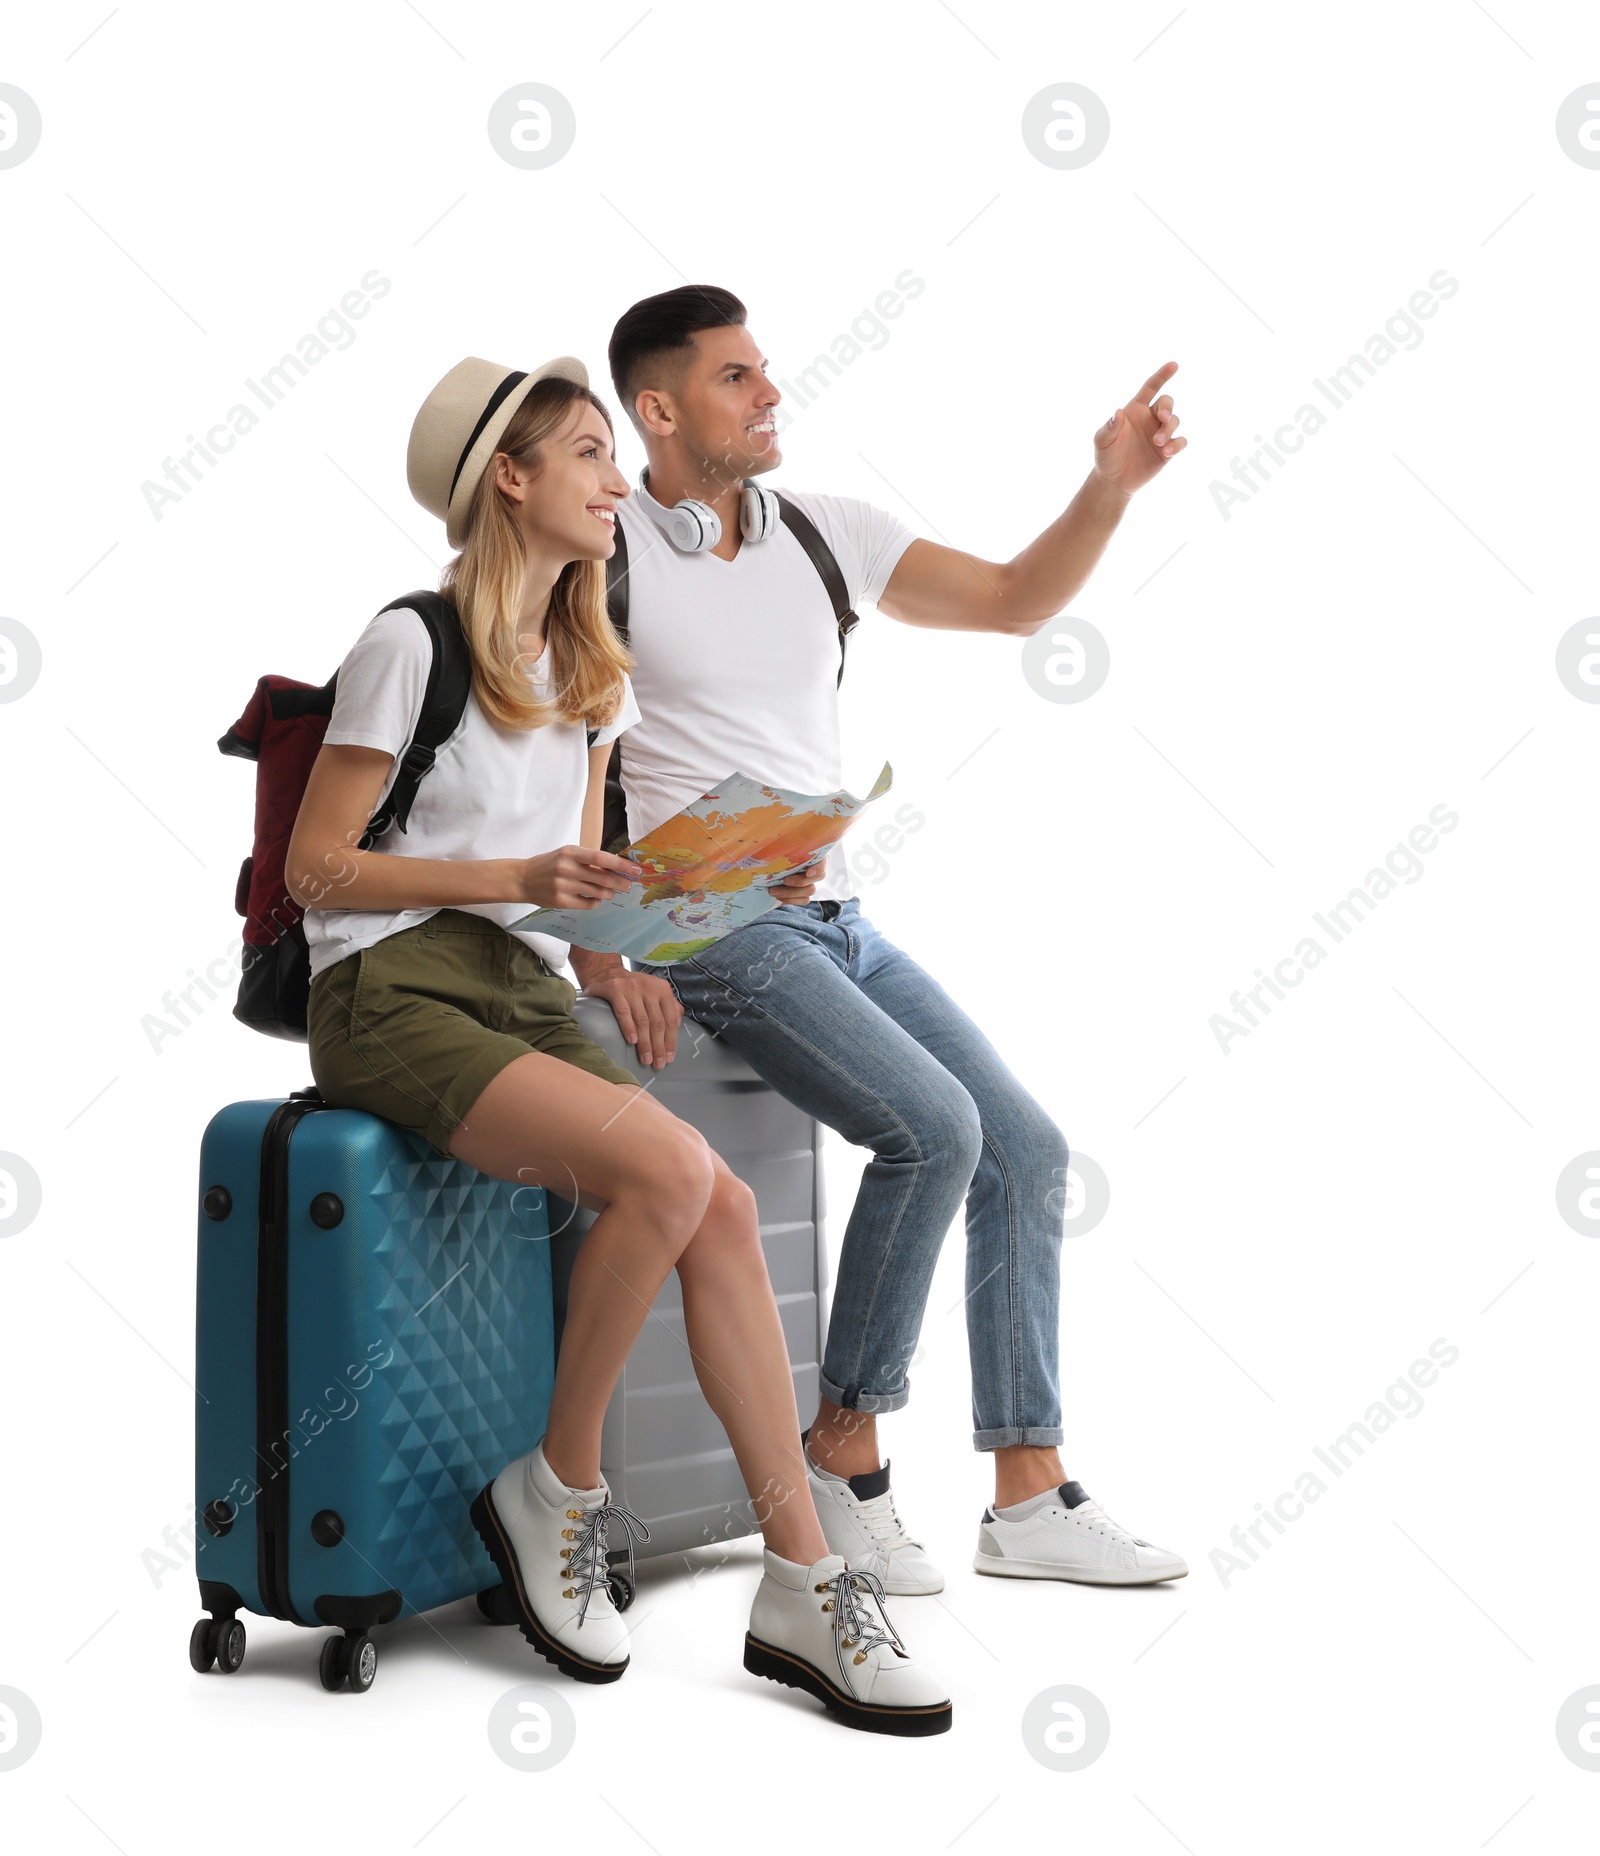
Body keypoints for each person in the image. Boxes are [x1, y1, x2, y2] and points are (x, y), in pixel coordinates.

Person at [283, 354, 951, 1733]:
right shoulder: (410, 643)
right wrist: (516, 874)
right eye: (586, 456)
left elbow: (572, 874)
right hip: (392, 992)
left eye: (608, 451)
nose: (611, 484)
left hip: (523, 989)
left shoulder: (593, 665)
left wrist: (644, 927)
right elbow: (319, 873)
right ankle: (561, 1488)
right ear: (507, 482)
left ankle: (800, 1585)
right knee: (667, 1175)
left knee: (724, 1200)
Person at [569, 286, 1190, 1593]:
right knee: (936, 1131)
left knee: (1021, 1147)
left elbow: (1020, 599)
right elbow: (563, 745)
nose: (770, 393)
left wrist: (1110, 487)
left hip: (840, 920)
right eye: (737, 377)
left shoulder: (823, 535)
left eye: (767, 370)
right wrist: (603, 959)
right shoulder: (603, 546)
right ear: (661, 408)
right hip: (710, 934)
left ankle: (1028, 1494)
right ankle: (843, 1455)